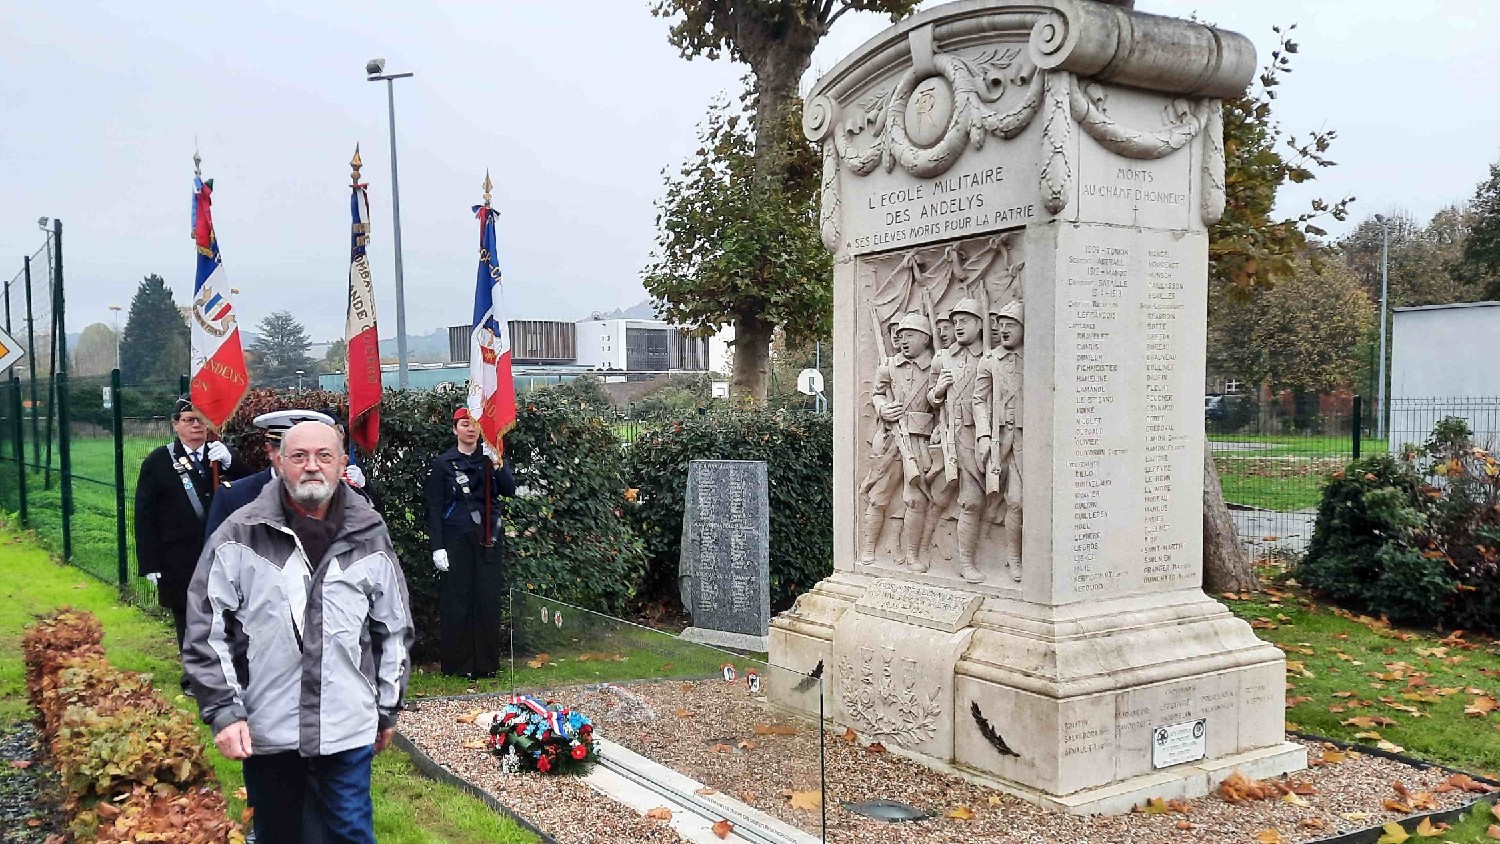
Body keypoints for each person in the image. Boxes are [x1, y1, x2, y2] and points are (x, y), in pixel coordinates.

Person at [183, 421, 413, 844]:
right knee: (279, 836)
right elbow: (206, 630)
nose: (312, 467)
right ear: (278, 461)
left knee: (350, 834)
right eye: (299, 456)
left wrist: (386, 707)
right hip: (269, 727)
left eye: (324, 456)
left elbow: (393, 629)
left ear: (343, 462)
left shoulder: (369, 531)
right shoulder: (240, 532)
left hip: (347, 725)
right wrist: (224, 710)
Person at [134, 396, 248, 656]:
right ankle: (193, 674)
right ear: (175, 425)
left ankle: (224, 668)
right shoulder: (158, 461)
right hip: (179, 556)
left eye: (201, 420)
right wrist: (149, 563)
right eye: (188, 420)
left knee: (225, 612)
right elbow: (145, 515)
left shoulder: (221, 456)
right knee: (187, 616)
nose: (196, 425)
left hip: (221, 552)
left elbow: (252, 489)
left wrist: (232, 462)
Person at [424, 407, 515, 677]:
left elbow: (509, 490)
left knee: (486, 600)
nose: (470, 429)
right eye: (464, 424)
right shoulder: (444, 463)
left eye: (474, 424)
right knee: (458, 602)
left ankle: (486, 664)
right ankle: (458, 664)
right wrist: (437, 546)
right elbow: (435, 506)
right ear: (455, 430)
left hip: (488, 540)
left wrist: (498, 464)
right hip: (456, 540)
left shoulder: (490, 458)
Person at [858, 312, 939, 569]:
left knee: (916, 500)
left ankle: (913, 554)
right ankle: (868, 548)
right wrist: (883, 409)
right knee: (879, 496)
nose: (903, 341)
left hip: (921, 442)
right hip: (893, 437)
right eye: (901, 336)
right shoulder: (889, 366)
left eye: (910, 336)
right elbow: (877, 395)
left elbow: (939, 402)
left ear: (925, 338)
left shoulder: (935, 366)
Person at [204, 409, 337, 537]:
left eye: (317, 454)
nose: (309, 464)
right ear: (270, 451)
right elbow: (215, 556)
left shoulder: (339, 496)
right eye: (298, 454)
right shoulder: (234, 498)